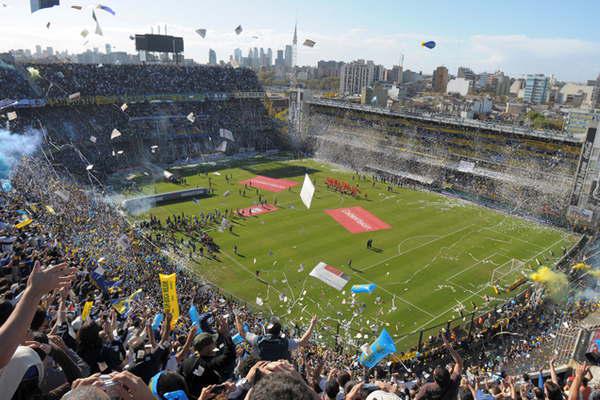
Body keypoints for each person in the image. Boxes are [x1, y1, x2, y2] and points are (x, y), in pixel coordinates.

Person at [179, 317, 235, 398]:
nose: (215, 344)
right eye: (213, 342)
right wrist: (227, 335)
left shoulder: (187, 362)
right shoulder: (209, 364)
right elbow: (229, 357)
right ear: (207, 347)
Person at [235, 315, 318, 362]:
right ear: (279, 332)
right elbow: (302, 342)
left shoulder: (258, 340)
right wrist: (312, 324)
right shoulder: (285, 343)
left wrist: (237, 317)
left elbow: (242, 332)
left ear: (267, 330)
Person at [414, 334, 463, 400]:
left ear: (434, 378)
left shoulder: (427, 388)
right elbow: (459, 363)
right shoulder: (454, 382)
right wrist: (449, 348)